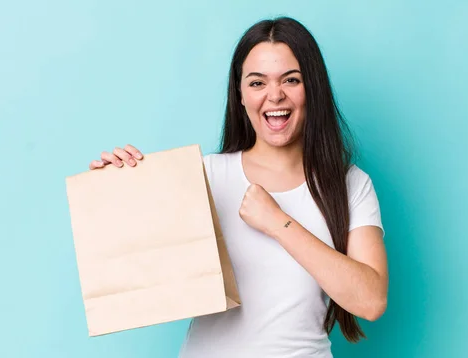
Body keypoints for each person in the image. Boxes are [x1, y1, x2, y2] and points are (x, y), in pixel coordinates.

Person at [88, 16, 388, 358]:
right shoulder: (204, 177)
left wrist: (279, 222)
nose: (275, 96)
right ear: (240, 94)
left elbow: (371, 300)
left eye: (291, 80)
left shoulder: (350, 185)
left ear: (312, 89)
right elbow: (136, 269)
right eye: (257, 83)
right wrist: (119, 187)